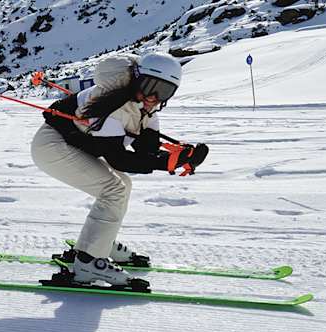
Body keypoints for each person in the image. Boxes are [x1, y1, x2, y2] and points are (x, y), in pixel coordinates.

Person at [31, 52, 209, 286]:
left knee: (123, 185)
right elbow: (119, 160)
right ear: (136, 79)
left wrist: (180, 156)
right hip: (53, 146)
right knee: (113, 188)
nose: (153, 97)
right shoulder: (115, 105)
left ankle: (97, 243)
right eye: (149, 86)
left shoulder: (147, 109)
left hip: (73, 145)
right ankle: (89, 262)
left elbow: (146, 152)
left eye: (164, 92)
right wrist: (165, 163)